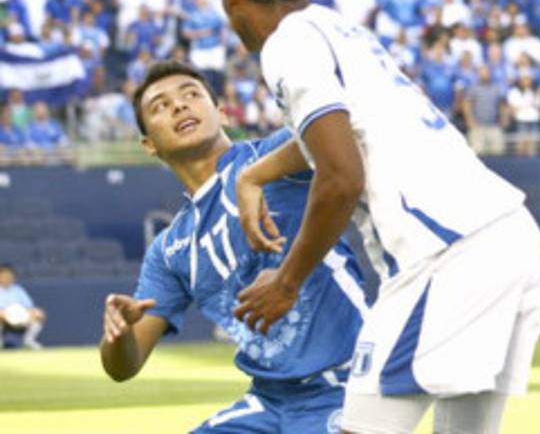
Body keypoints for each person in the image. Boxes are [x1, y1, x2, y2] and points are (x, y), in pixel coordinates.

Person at [203, 0, 540, 434]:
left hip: (447, 253)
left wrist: (287, 282)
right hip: (508, 234)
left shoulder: (286, 46)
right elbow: (342, 137)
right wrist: (254, 175)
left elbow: (341, 175)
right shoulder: (337, 28)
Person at [99, 60, 367, 433]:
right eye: (160, 105)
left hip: (345, 384)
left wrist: (257, 176)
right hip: (269, 402)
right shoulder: (170, 249)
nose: (179, 106)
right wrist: (119, 335)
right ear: (148, 144)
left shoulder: (268, 159)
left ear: (221, 111)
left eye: (191, 95)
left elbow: (352, 132)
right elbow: (124, 367)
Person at [0, 263, 45, 349]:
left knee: (39, 313)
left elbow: (30, 306)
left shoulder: (18, 290)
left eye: (9, 275)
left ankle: (28, 340)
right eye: (4, 275)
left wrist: (25, 313)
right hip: (3, 318)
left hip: (20, 316)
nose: (7, 278)